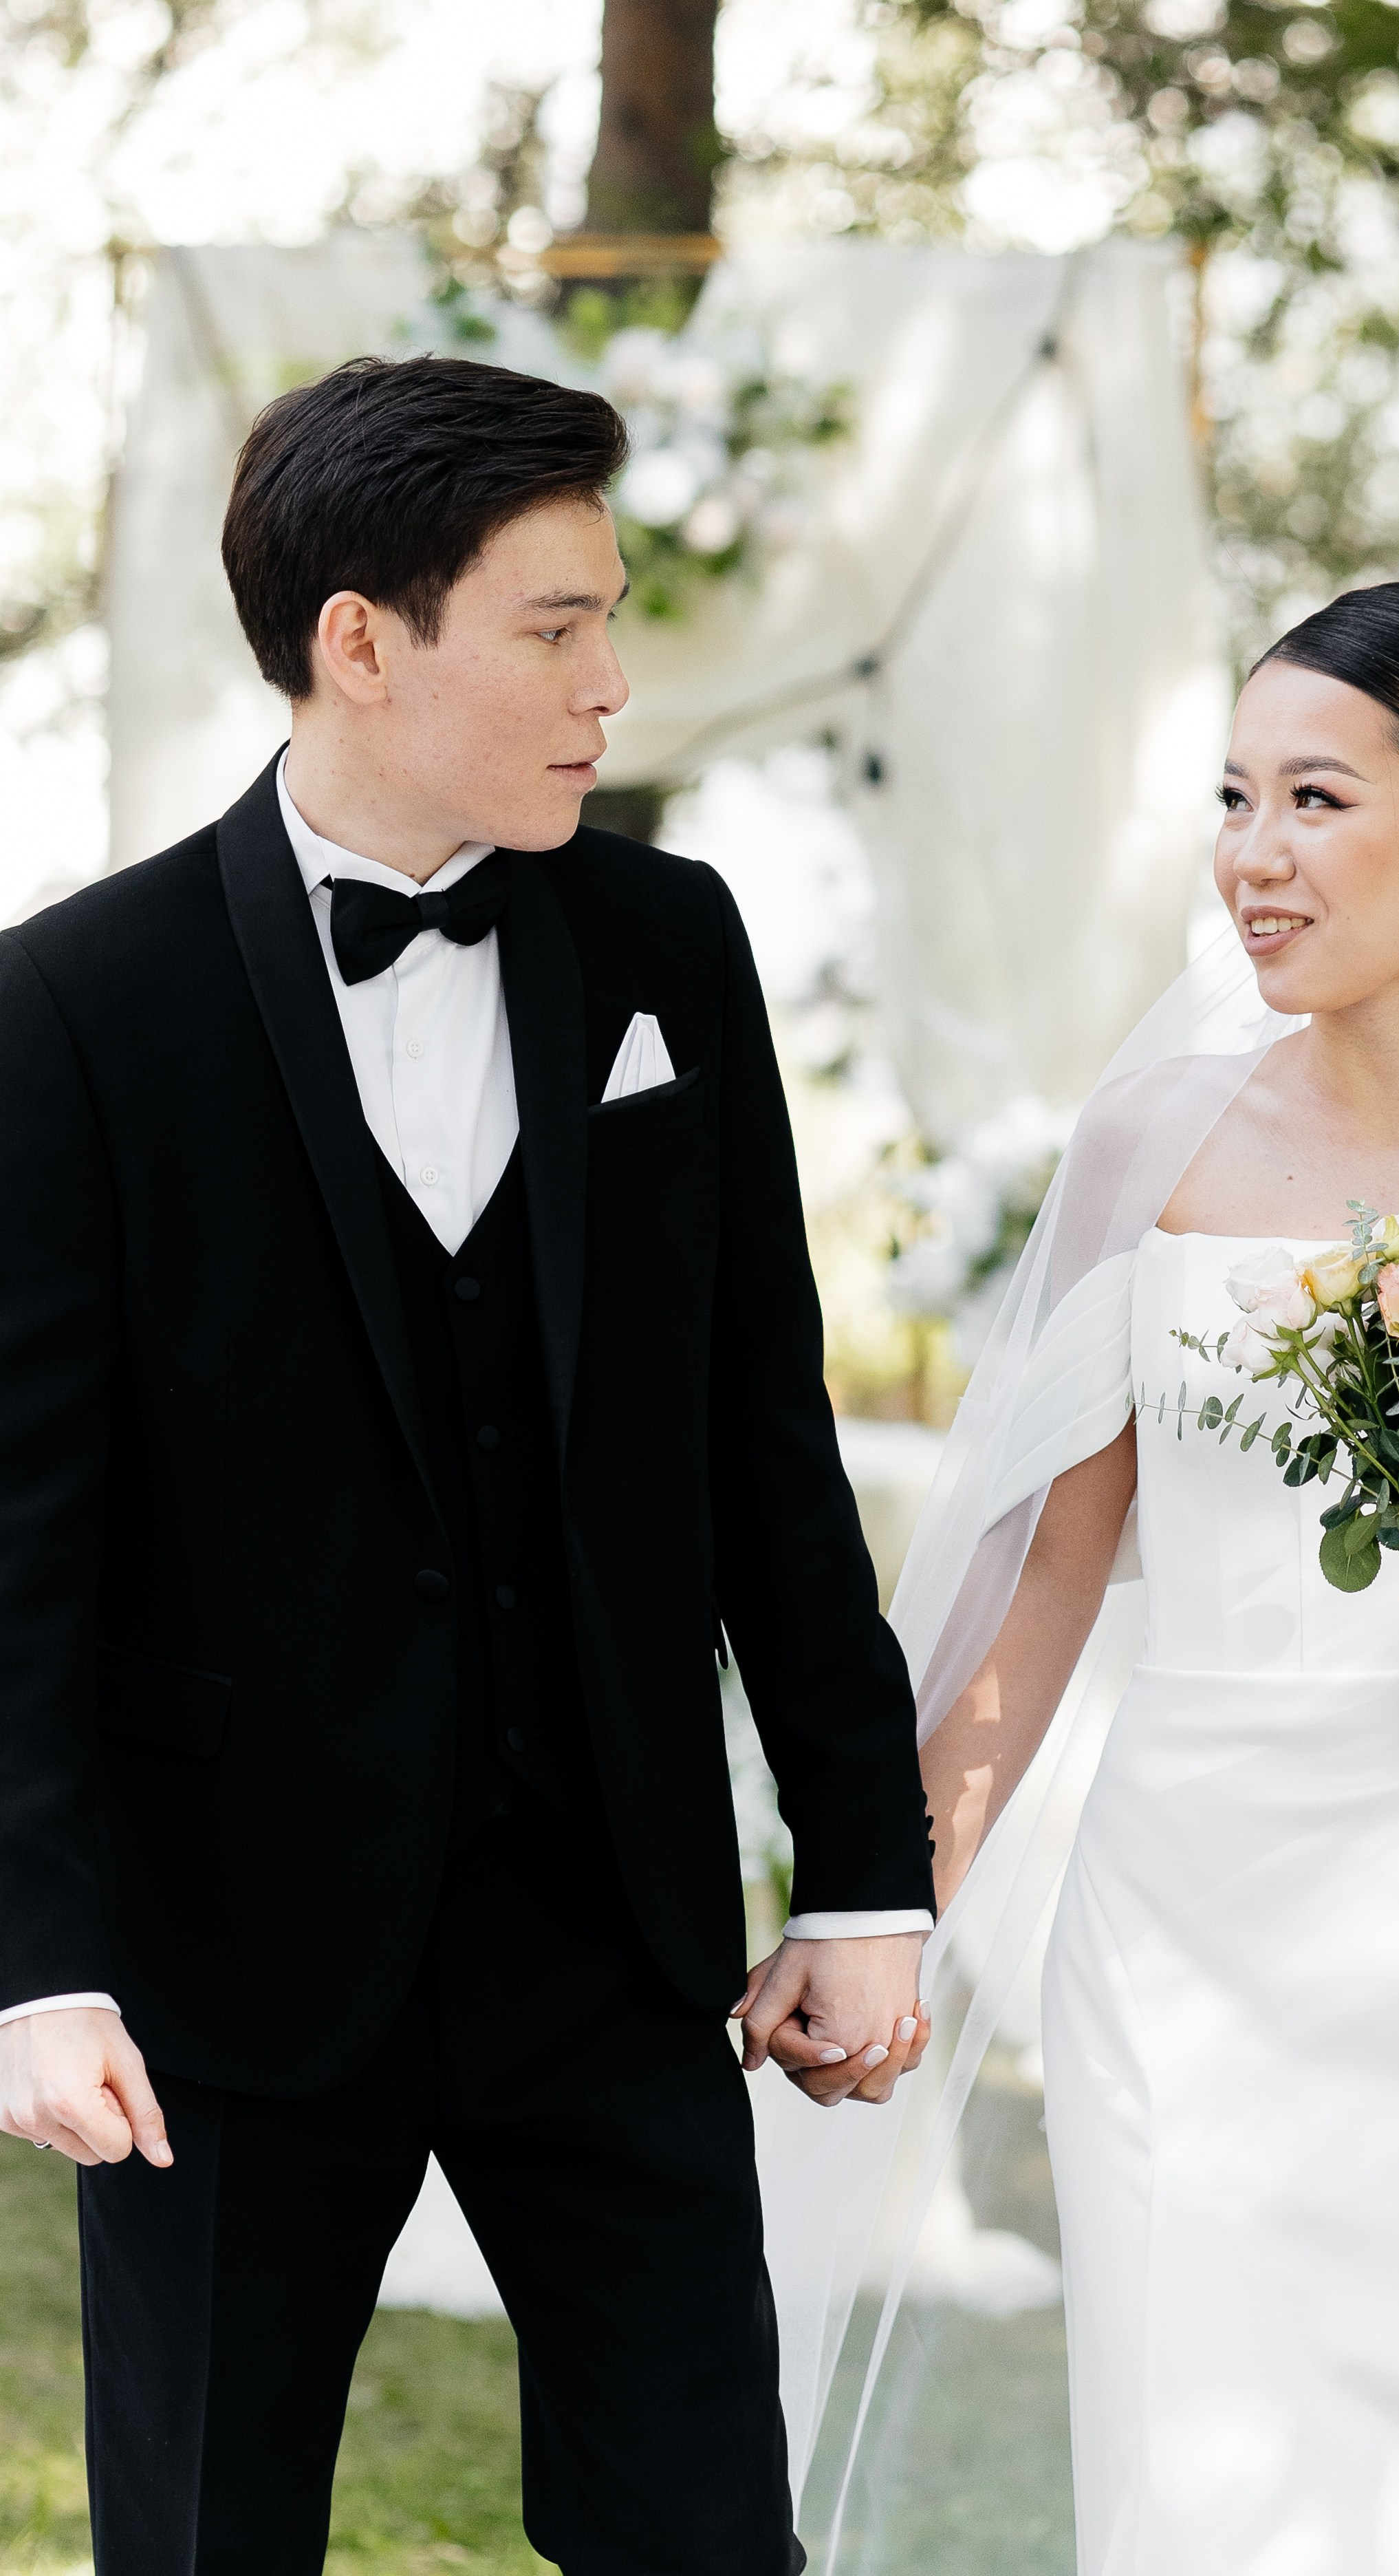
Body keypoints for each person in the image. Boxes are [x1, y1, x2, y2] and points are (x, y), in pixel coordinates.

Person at [0, 353, 937, 2576]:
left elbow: (760, 1438)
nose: (610, 684)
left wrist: (864, 1877)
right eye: (557, 626)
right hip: (230, 1962)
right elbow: (17, 1543)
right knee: (206, 2541)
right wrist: (39, 1965)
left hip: (612, 1932)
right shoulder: (70, 1010)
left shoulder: (667, 945)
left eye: (609, 621)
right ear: (360, 642)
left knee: (706, 2532)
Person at [765, 583, 1399, 2575]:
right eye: (1232, 797)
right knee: (1200, 2495)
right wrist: (889, 1905)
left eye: (1311, 799)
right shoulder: (1158, 1136)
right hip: (1184, 1946)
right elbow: (1040, 1575)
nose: (1250, 858)